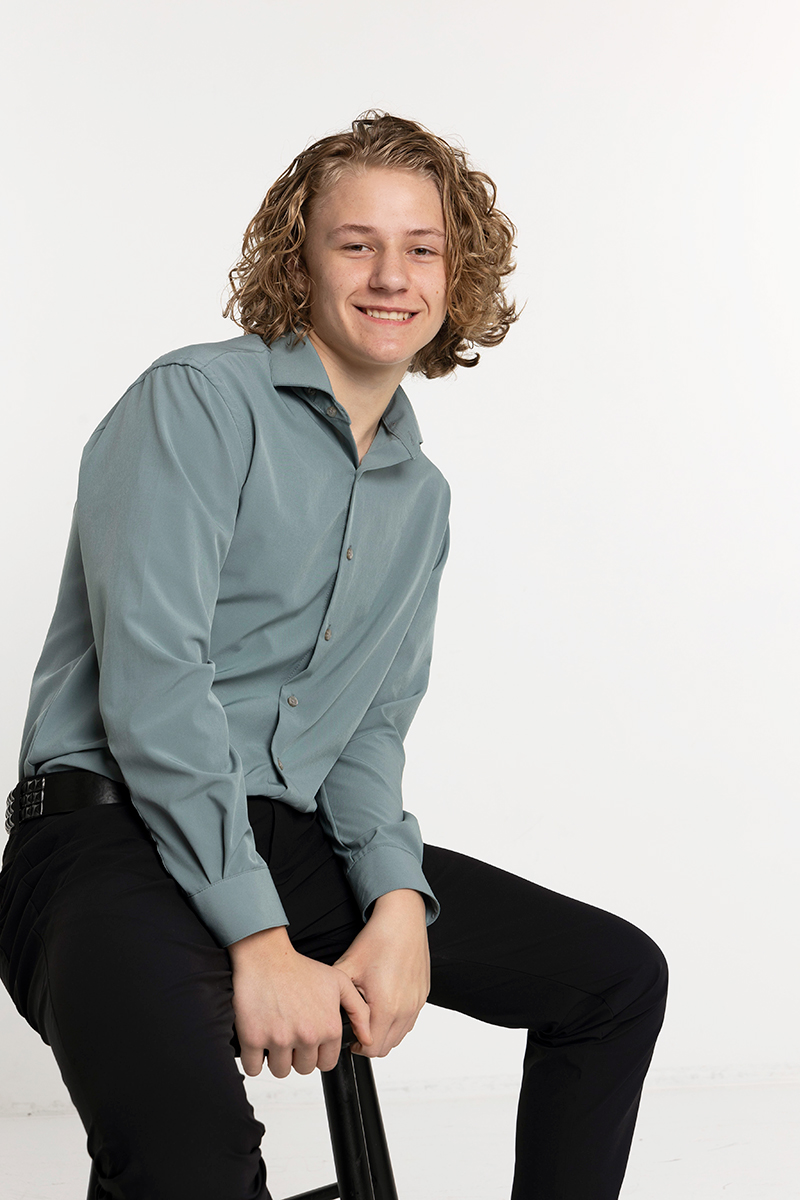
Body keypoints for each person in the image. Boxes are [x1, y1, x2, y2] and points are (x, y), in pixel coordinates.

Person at [0, 111, 667, 1200]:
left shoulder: (421, 498)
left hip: (285, 838)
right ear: (299, 260)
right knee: (191, 1161)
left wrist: (397, 901)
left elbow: (365, 732)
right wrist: (261, 939)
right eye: (355, 243)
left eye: (422, 248)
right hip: (106, 836)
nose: (391, 276)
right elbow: (154, 688)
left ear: (456, 274)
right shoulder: (197, 401)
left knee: (614, 979)